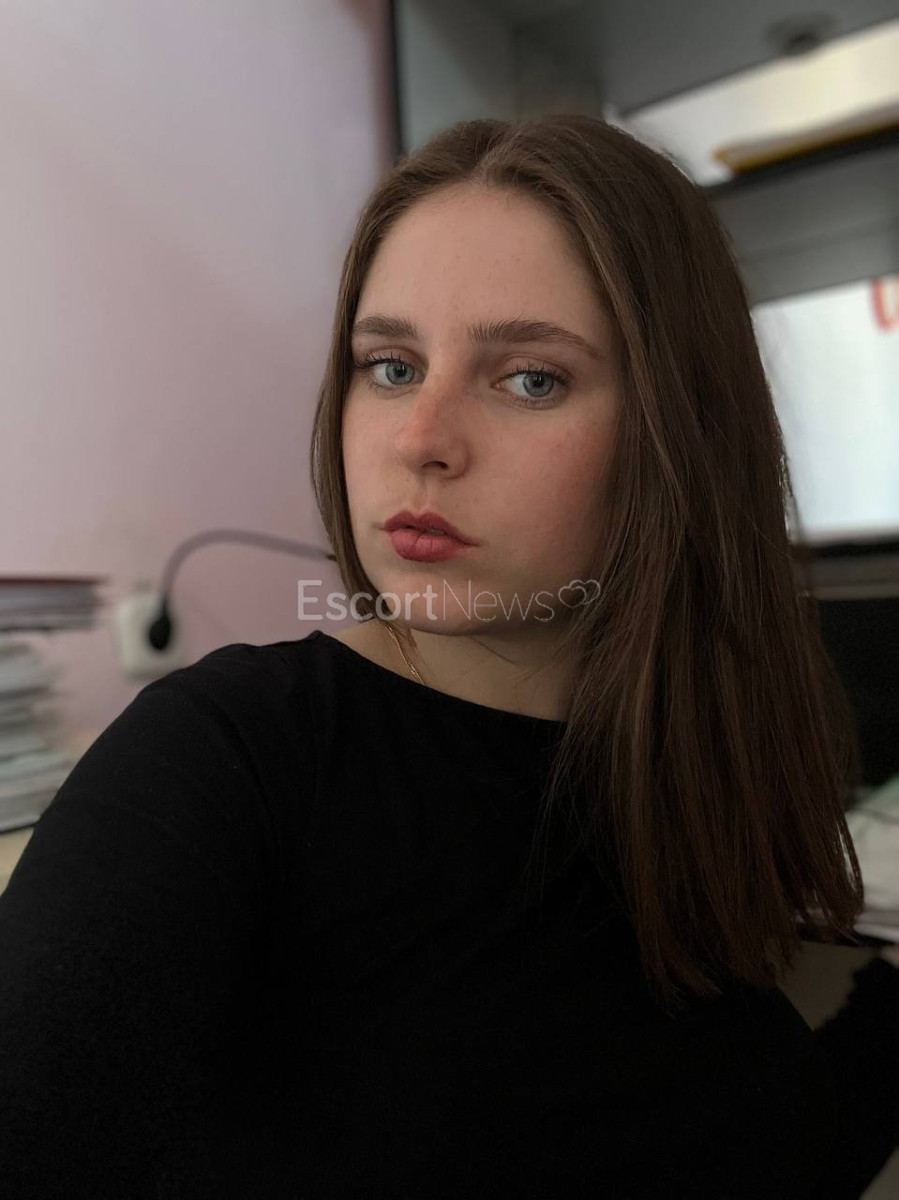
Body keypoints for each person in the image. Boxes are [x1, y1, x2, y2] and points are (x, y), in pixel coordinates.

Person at [1, 114, 897, 1200]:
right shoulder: (224, 760)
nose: (419, 437)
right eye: (389, 365)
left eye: (529, 380)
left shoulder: (702, 759)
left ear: (679, 431)